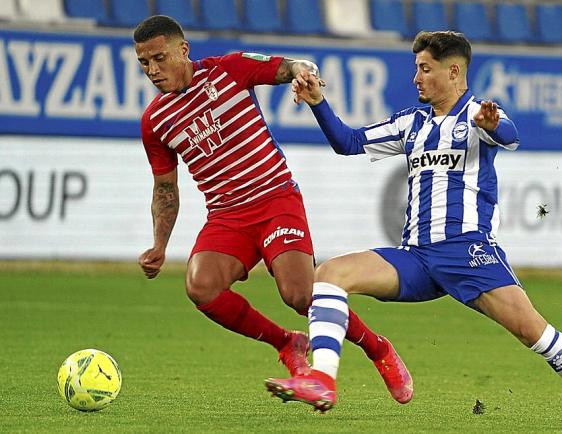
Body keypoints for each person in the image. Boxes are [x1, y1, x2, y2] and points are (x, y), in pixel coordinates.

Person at [265, 31, 562, 429]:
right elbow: (348, 142)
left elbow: (507, 134)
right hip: (416, 258)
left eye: (425, 69)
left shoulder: (478, 115)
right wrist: (319, 104)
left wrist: (492, 125)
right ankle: (322, 380)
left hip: (468, 255)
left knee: (535, 332)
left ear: (454, 71)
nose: (416, 78)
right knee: (329, 274)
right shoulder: (412, 123)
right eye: (416, 69)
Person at [133, 15, 412, 402]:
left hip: (275, 199)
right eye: (144, 63)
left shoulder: (228, 70)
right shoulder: (154, 122)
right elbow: (165, 188)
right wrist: (160, 244)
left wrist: (303, 74)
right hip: (227, 216)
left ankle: (377, 348)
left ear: (184, 50)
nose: (152, 70)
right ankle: (286, 344)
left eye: (159, 58)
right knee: (201, 287)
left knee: (299, 295)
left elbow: (290, 66)